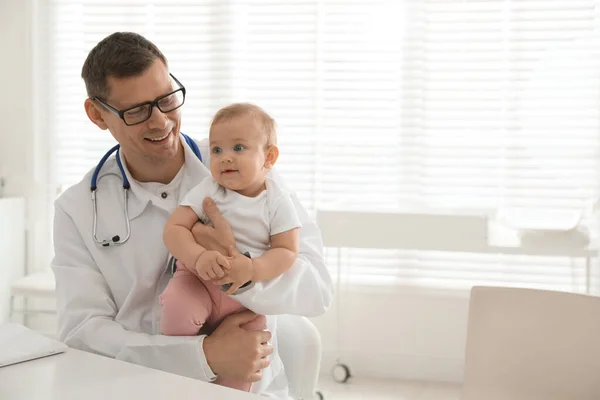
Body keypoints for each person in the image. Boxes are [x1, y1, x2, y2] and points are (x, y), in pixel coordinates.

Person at [50, 31, 333, 398]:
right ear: (97, 114)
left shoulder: (246, 169)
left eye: (166, 99)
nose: (161, 122)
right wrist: (201, 356)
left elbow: (317, 291)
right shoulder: (76, 209)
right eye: (136, 111)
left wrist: (241, 268)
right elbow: (83, 333)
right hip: (139, 388)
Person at [160, 103, 301, 393]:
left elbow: (287, 250)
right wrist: (198, 257)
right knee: (177, 308)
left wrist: (253, 268)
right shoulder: (209, 189)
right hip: (198, 279)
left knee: (247, 362)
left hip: (244, 301)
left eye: (238, 148)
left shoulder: (277, 201)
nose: (225, 158)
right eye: (217, 150)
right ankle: (183, 381)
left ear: (269, 157)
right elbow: (174, 229)